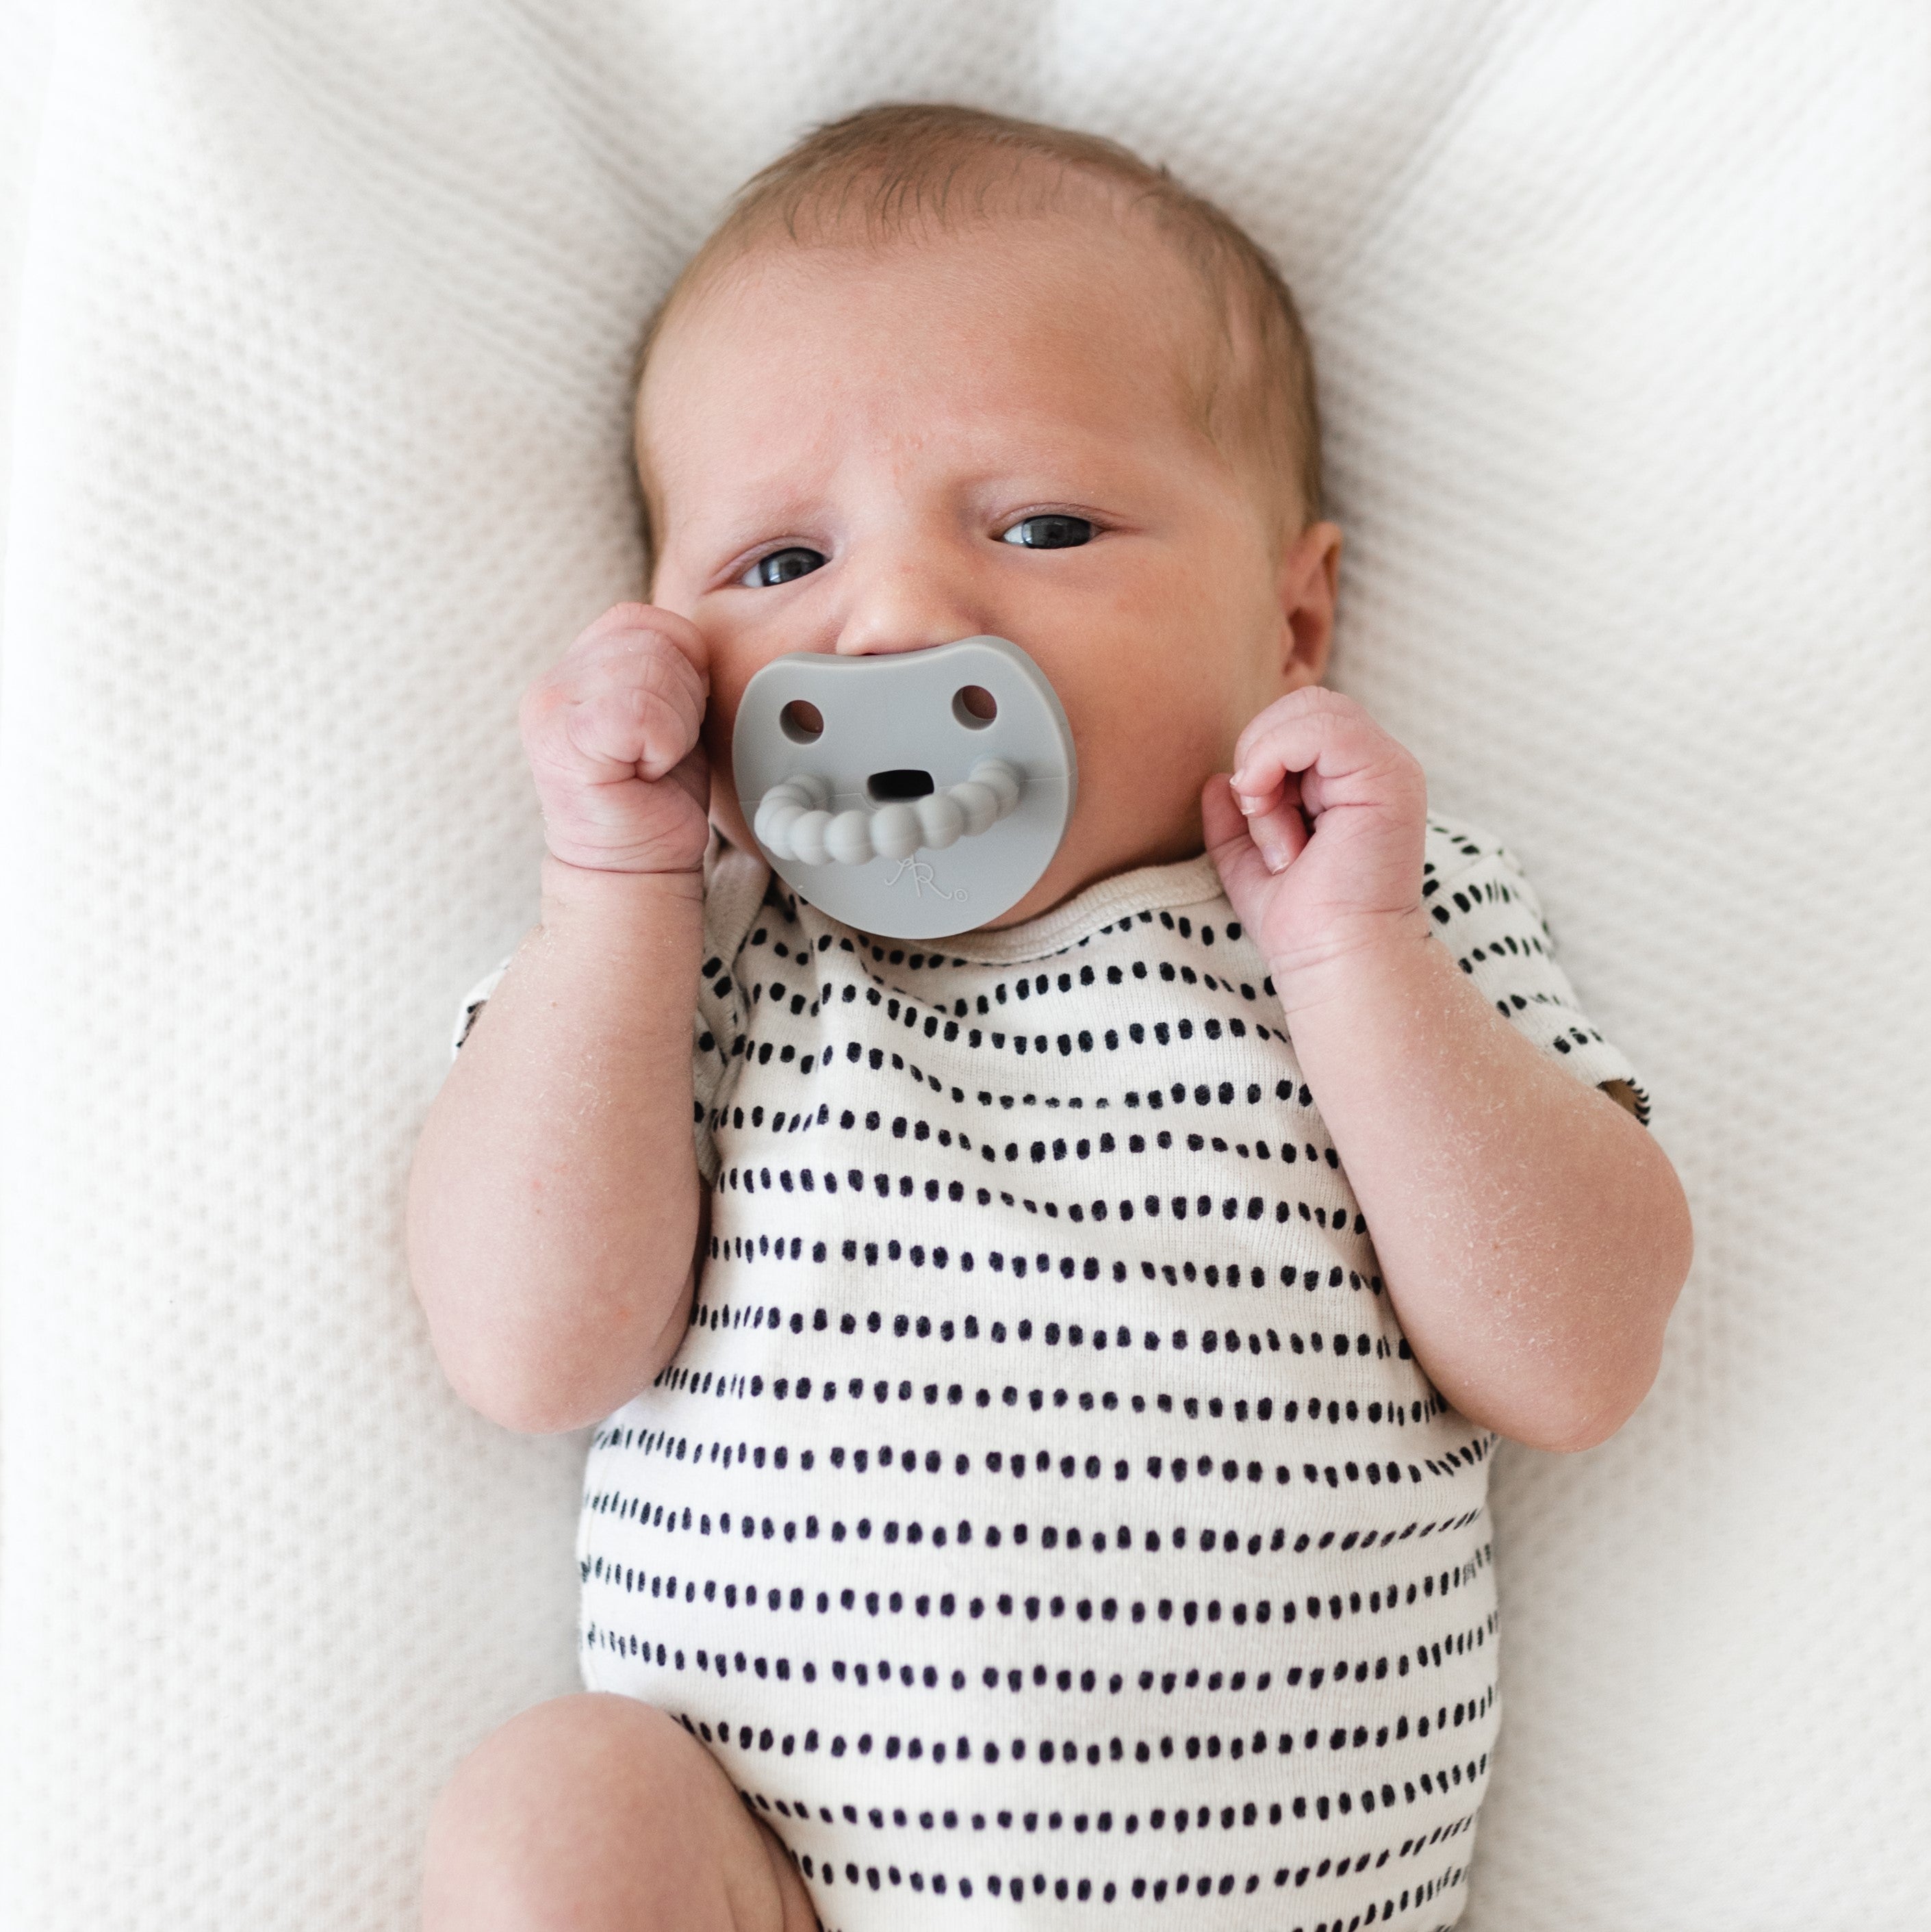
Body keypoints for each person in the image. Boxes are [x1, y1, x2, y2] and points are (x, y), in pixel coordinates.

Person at [408, 102, 1692, 1932]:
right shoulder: (689, 960)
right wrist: (612, 888)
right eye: (778, 568)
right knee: (556, 1812)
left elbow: (1579, 1362)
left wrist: (1359, 960)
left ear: (1293, 622)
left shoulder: (1366, 914)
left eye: (1045, 525)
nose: (895, 624)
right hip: (784, 1887)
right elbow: (528, 1354)